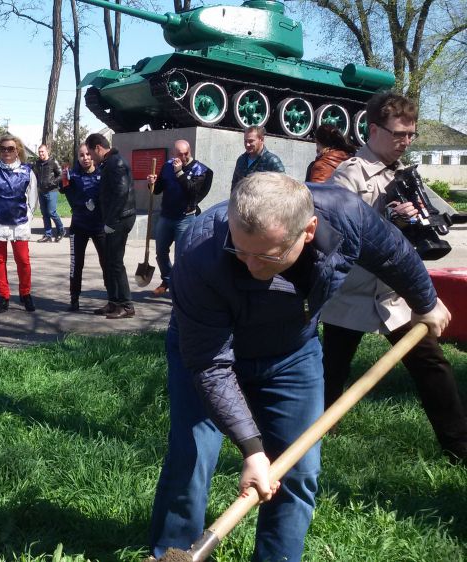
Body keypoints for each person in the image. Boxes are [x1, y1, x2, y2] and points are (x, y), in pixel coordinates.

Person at [148, 172, 450, 562]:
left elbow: (393, 253)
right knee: (192, 455)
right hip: (206, 353)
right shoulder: (200, 249)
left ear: (308, 231)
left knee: (298, 471)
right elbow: (210, 364)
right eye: (240, 251)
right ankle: (171, 550)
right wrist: (253, 450)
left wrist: (425, 302)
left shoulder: (346, 215)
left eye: (267, 255)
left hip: (291, 354)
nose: (251, 263)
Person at [321, 91, 467, 463]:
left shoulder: (406, 175)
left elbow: (432, 226)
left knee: (432, 365)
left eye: (411, 135)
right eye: (399, 134)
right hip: (351, 293)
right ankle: (318, 436)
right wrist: (385, 218)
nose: (406, 142)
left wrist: (417, 220)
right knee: (330, 370)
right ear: (373, 129)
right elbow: (341, 234)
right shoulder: (348, 174)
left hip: (394, 295)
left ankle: (458, 448)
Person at [145, 139, 213, 296]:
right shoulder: (168, 166)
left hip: (186, 218)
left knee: (181, 255)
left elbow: (193, 192)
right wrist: (152, 183)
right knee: (160, 252)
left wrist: (180, 172)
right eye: (179, 154)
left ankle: (181, 287)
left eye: (186, 154)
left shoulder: (200, 170)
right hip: (166, 216)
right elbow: (157, 190)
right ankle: (168, 280)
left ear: (190, 151)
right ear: (174, 153)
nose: (182, 157)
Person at [0, 133, 38, 313]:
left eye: (10, 148)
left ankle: (25, 293)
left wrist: (27, 216)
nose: (6, 151)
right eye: (3, 148)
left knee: (23, 260)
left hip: (19, 222)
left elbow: (33, 198)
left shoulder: (27, 171)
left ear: (17, 150)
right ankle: (3, 295)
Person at [85, 133, 137, 319]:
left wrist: (111, 221)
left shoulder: (116, 163)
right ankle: (114, 302)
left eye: (91, 152)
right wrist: (96, 203)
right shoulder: (109, 163)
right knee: (109, 262)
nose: (91, 157)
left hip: (120, 219)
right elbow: (109, 190)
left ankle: (127, 306)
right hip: (115, 218)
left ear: (98, 147)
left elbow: (121, 193)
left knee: (115, 263)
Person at [61, 143, 106, 312]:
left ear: (93, 155)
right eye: (81, 155)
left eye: (88, 154)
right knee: (76, 263)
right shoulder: (72, 174)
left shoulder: (103, 172)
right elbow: (62, 189)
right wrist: (63, 180)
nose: (86, 158)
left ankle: (113, 298)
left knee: (106, 262)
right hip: (79, 225)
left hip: (99, 226)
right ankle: (74, 298)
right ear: (77, 157)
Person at [34, 143, 65, 243]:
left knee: (52, 212)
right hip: (41, 191)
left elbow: (61, 175)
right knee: (45, 214)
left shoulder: (53, 162)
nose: (41, 153)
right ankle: (48, 235)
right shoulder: (37, 163)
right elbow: (35, 174)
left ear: (47, 152)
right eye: (39, 152)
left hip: (52, 191)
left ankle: (61, 230)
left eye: (42, 151)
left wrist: (53, 183)